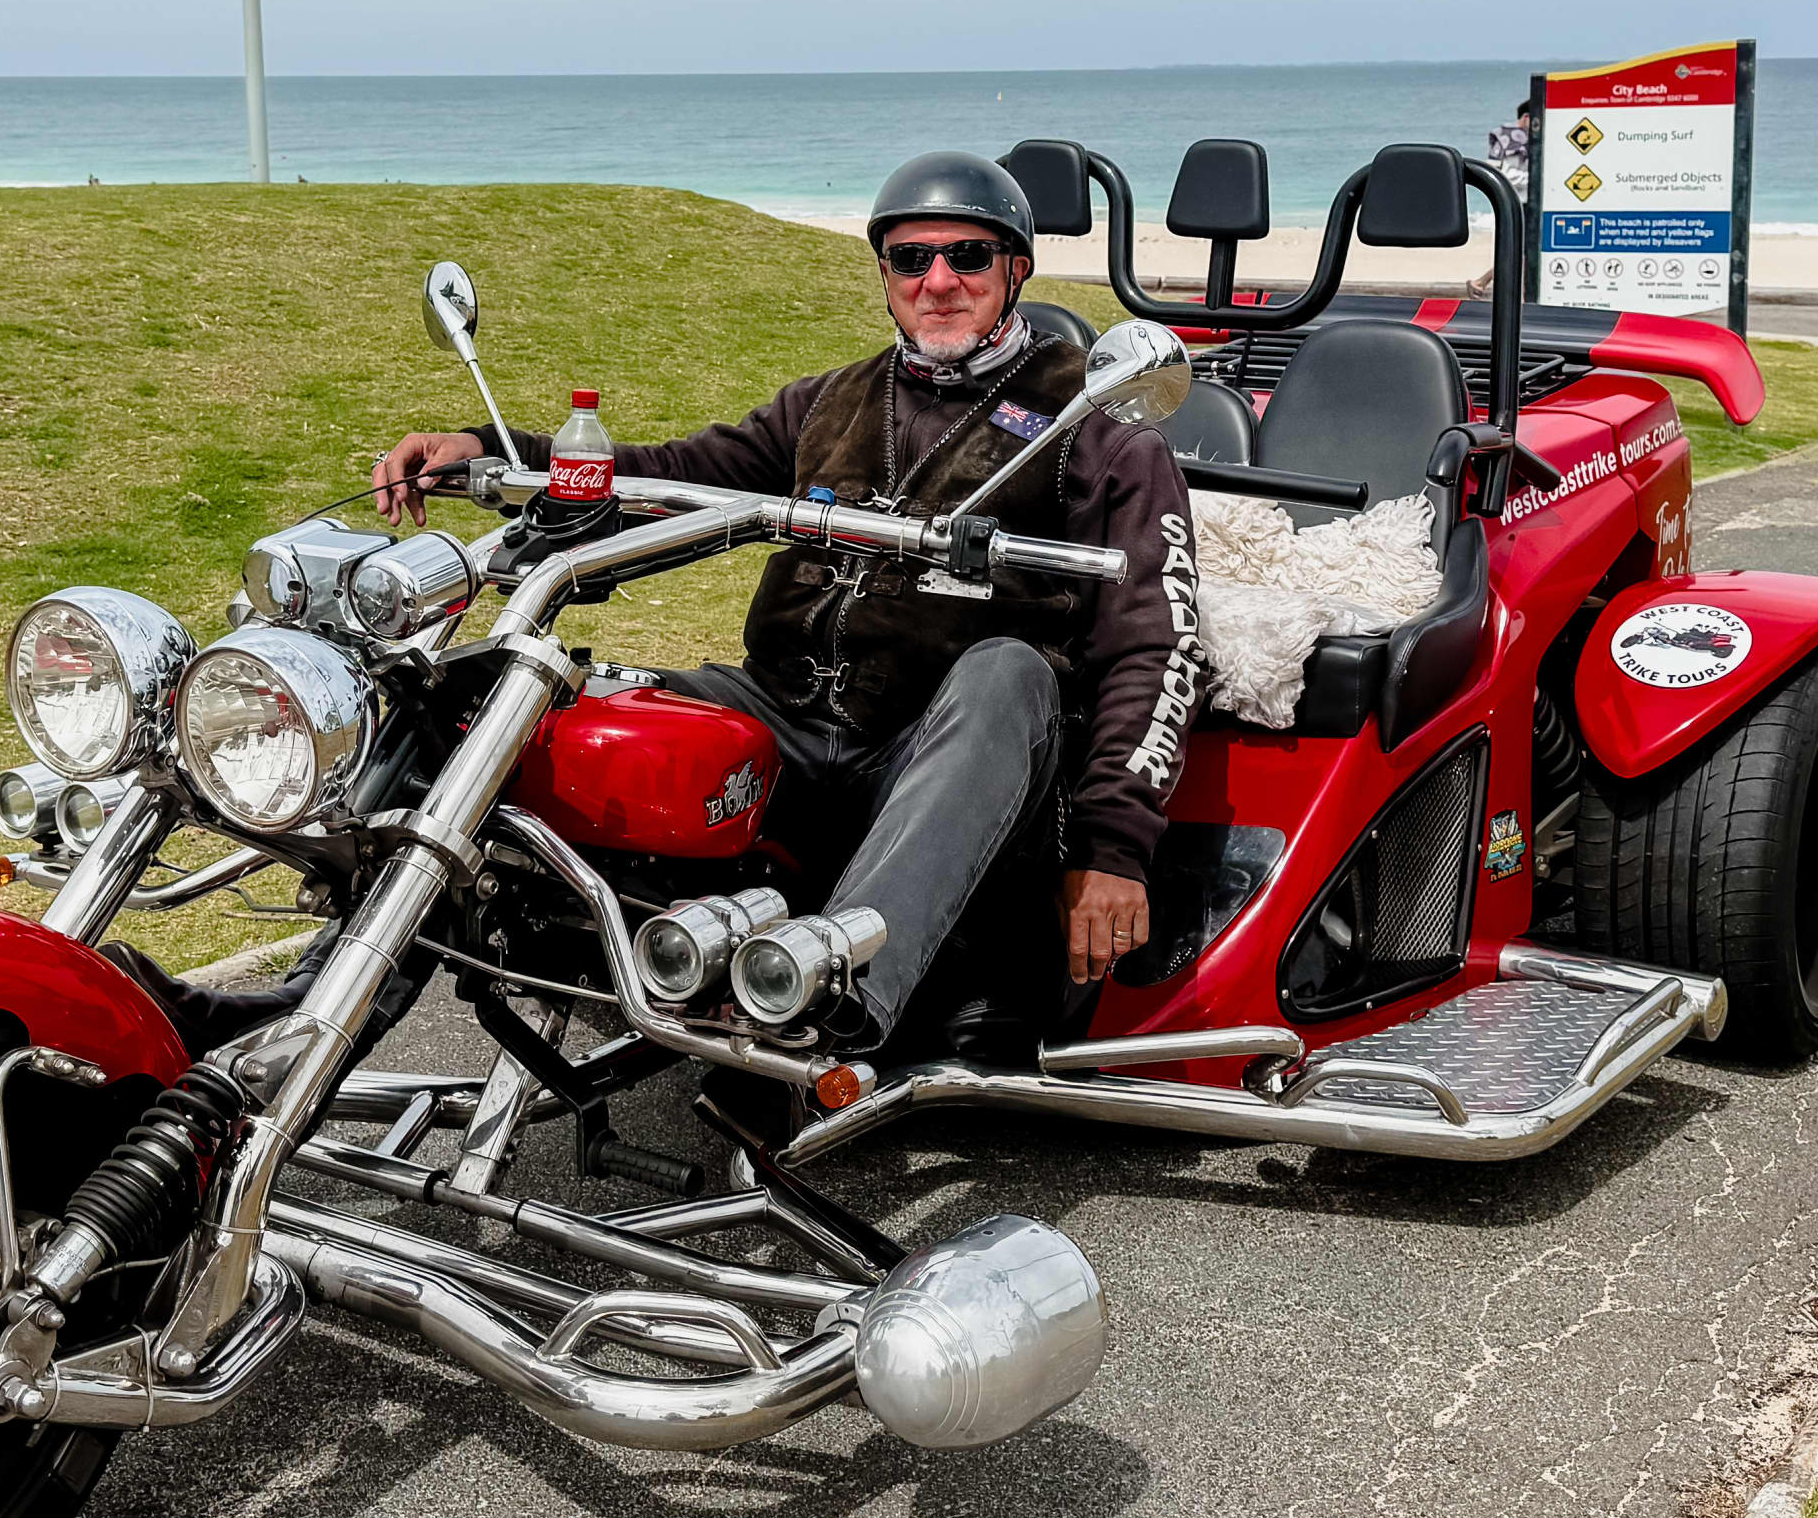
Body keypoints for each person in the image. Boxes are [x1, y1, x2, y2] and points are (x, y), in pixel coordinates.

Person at [370, 151, 1203, 1062]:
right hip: (790, 707)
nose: (938, 282)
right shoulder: (833, 402)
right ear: (884, 275)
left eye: (968, 256)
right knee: (553, 703)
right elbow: (677, 475)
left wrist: (1114, 848)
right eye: (910, 259)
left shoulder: (1095, 423)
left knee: (1010, 671)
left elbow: (1155, 648)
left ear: (1016, 269)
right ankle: (356, 985)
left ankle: (829, 1001)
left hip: (953, 748)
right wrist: (494, 451)